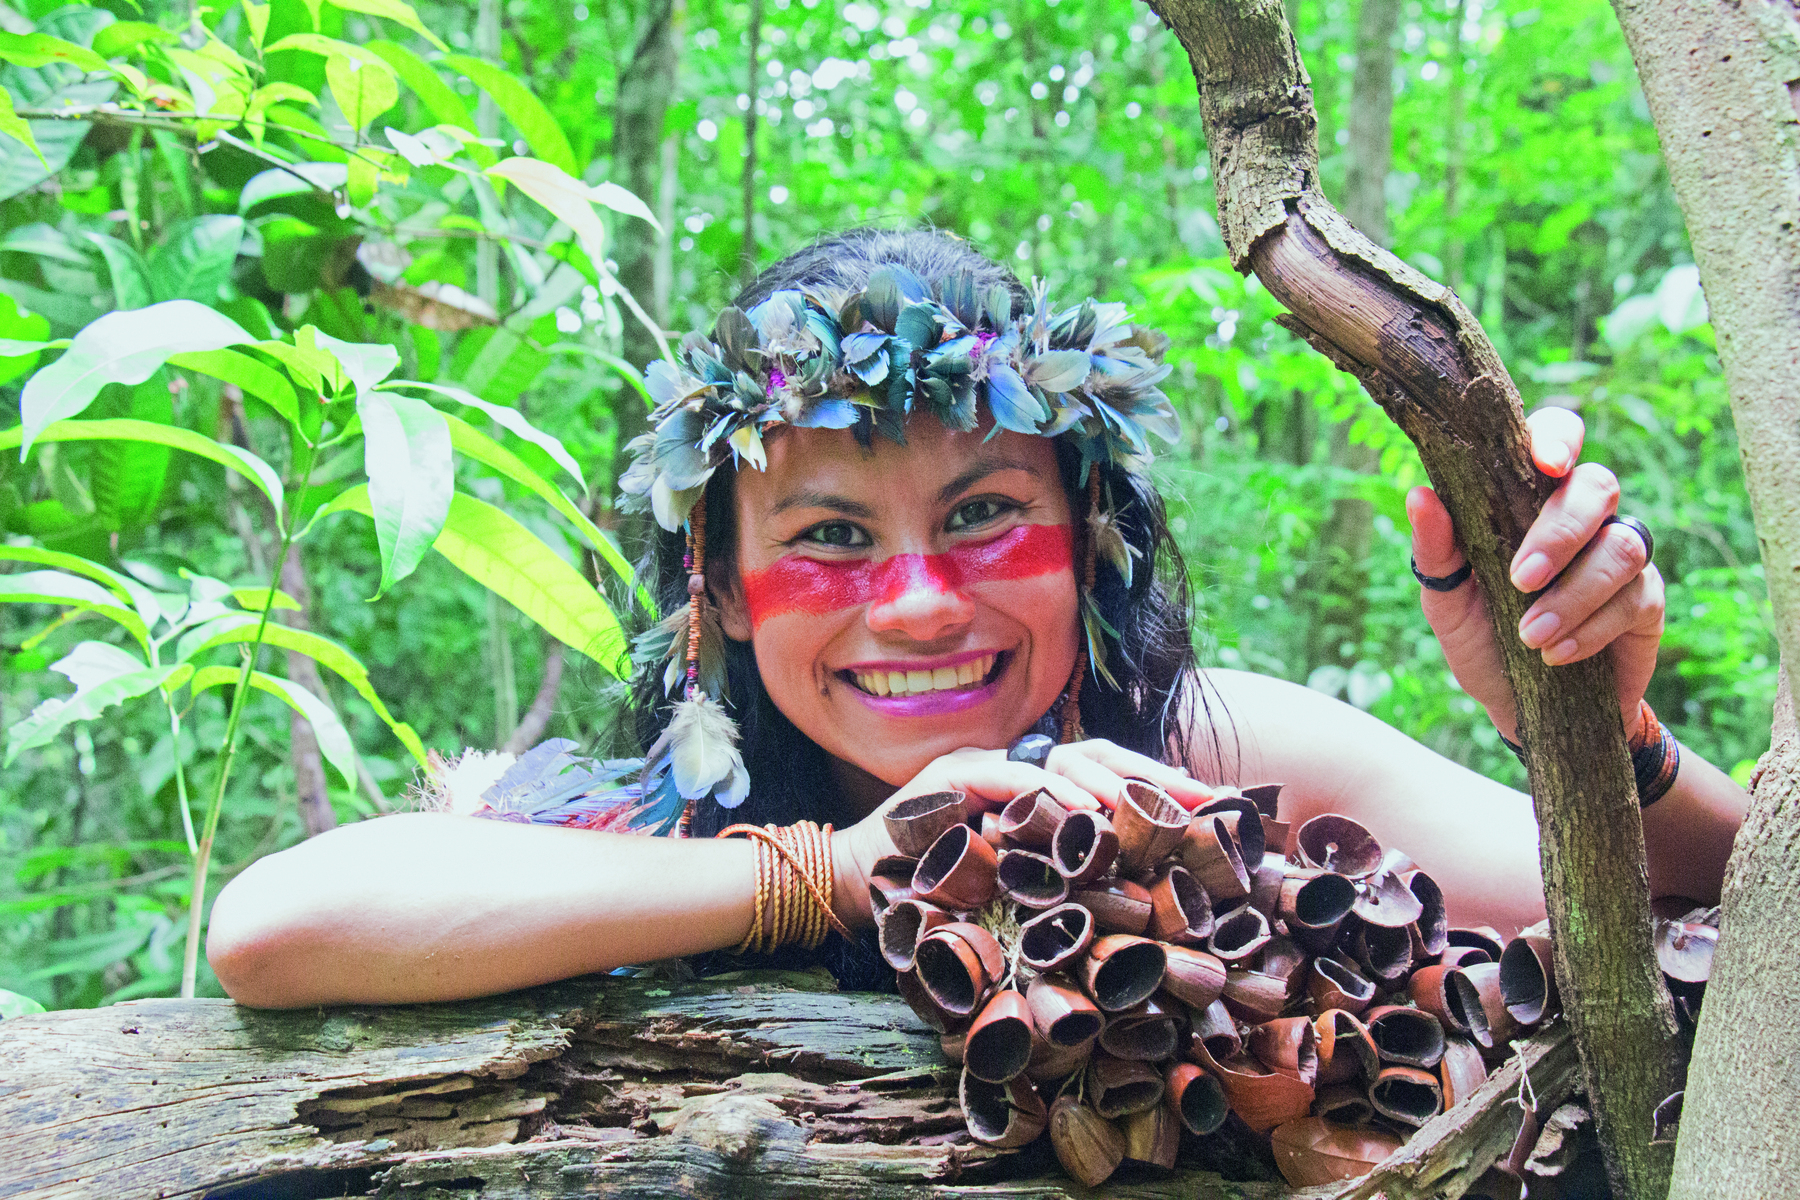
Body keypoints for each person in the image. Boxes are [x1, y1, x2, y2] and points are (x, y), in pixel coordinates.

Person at [206, 229, 1748, 1009]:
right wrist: (840, 874)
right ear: (721, 595)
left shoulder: (1198, 745)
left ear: (1089, 539)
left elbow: (1741, 883)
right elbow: (270, 930)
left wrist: (1592, 729)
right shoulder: (633, 821)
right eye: (826, 536)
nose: (923, 602)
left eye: (986, 515)